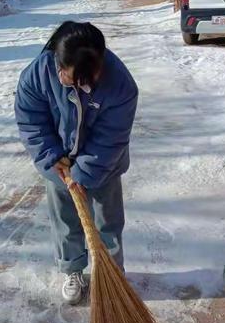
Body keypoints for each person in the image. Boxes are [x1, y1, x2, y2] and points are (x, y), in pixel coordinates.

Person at [15, 21, 138, 305]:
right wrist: (50, 156)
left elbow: (111, 139)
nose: (76, 83)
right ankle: (73, 270)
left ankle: (110, 274)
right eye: (70, 77)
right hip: (58, 160)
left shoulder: (120, 85)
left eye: (86, 80)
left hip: (102, 165)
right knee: (66, 221)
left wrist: (82, 174)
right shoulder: (39, 73)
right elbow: (31, 119)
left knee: (107, 222)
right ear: (59, 63)